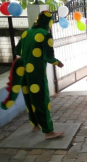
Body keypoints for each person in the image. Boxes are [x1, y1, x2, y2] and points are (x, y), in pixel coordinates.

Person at [1, 11, 64, 139]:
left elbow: (17, 50)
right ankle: (48, 131)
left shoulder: (26, 32)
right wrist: (58, 63)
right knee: (41, 100)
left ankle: (35, 125)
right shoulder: (45, 35)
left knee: (29, 98)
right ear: (48, 23)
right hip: (36, 72)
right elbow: (48, 56)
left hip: (24, 69)